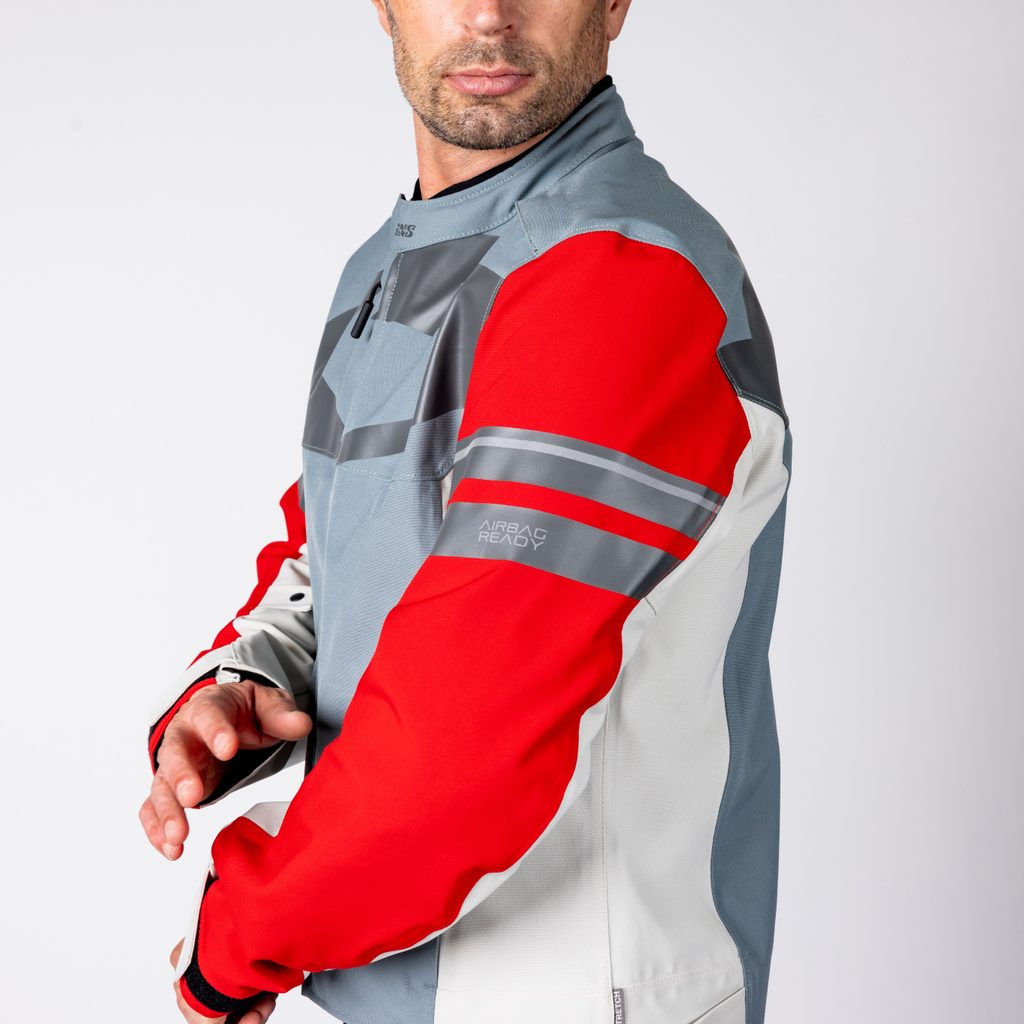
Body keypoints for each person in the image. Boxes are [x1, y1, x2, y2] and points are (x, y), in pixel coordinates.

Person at [138, 2, 793, 1023]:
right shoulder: (388, 263)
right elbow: (335, 541)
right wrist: (243, 685)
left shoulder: (619, 272)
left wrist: (238, 938)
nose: (489, 13)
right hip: (382, 979)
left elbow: (461, 747)